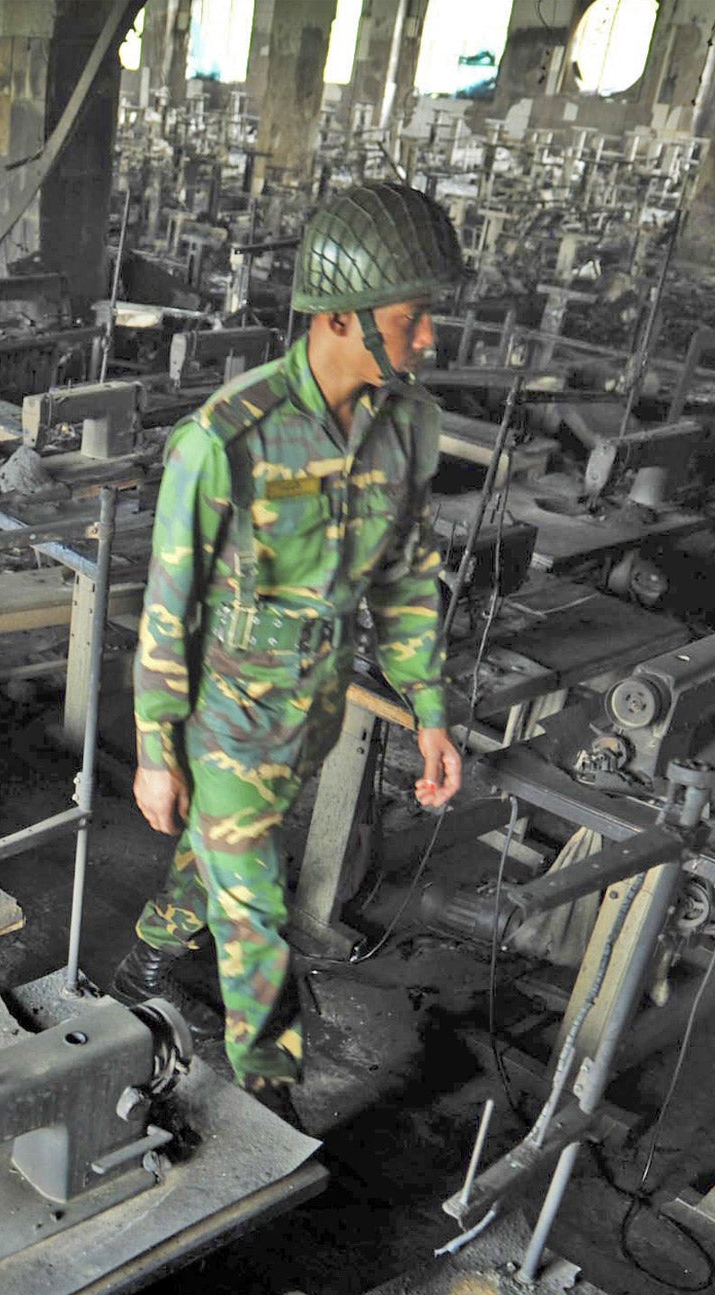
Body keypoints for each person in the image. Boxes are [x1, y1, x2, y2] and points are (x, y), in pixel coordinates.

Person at [111, 181, 467, 1106]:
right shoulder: (227, 439)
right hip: (228, 709)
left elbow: (407, 577)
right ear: (344, 318)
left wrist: (430, 711)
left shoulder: (410, 426)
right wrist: (157, 751)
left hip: (314, 709)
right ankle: (271, 1091)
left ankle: (147, 956)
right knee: (257, 911)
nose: (428, 339)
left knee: (228, 847)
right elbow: (168, 609)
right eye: (411, 317)